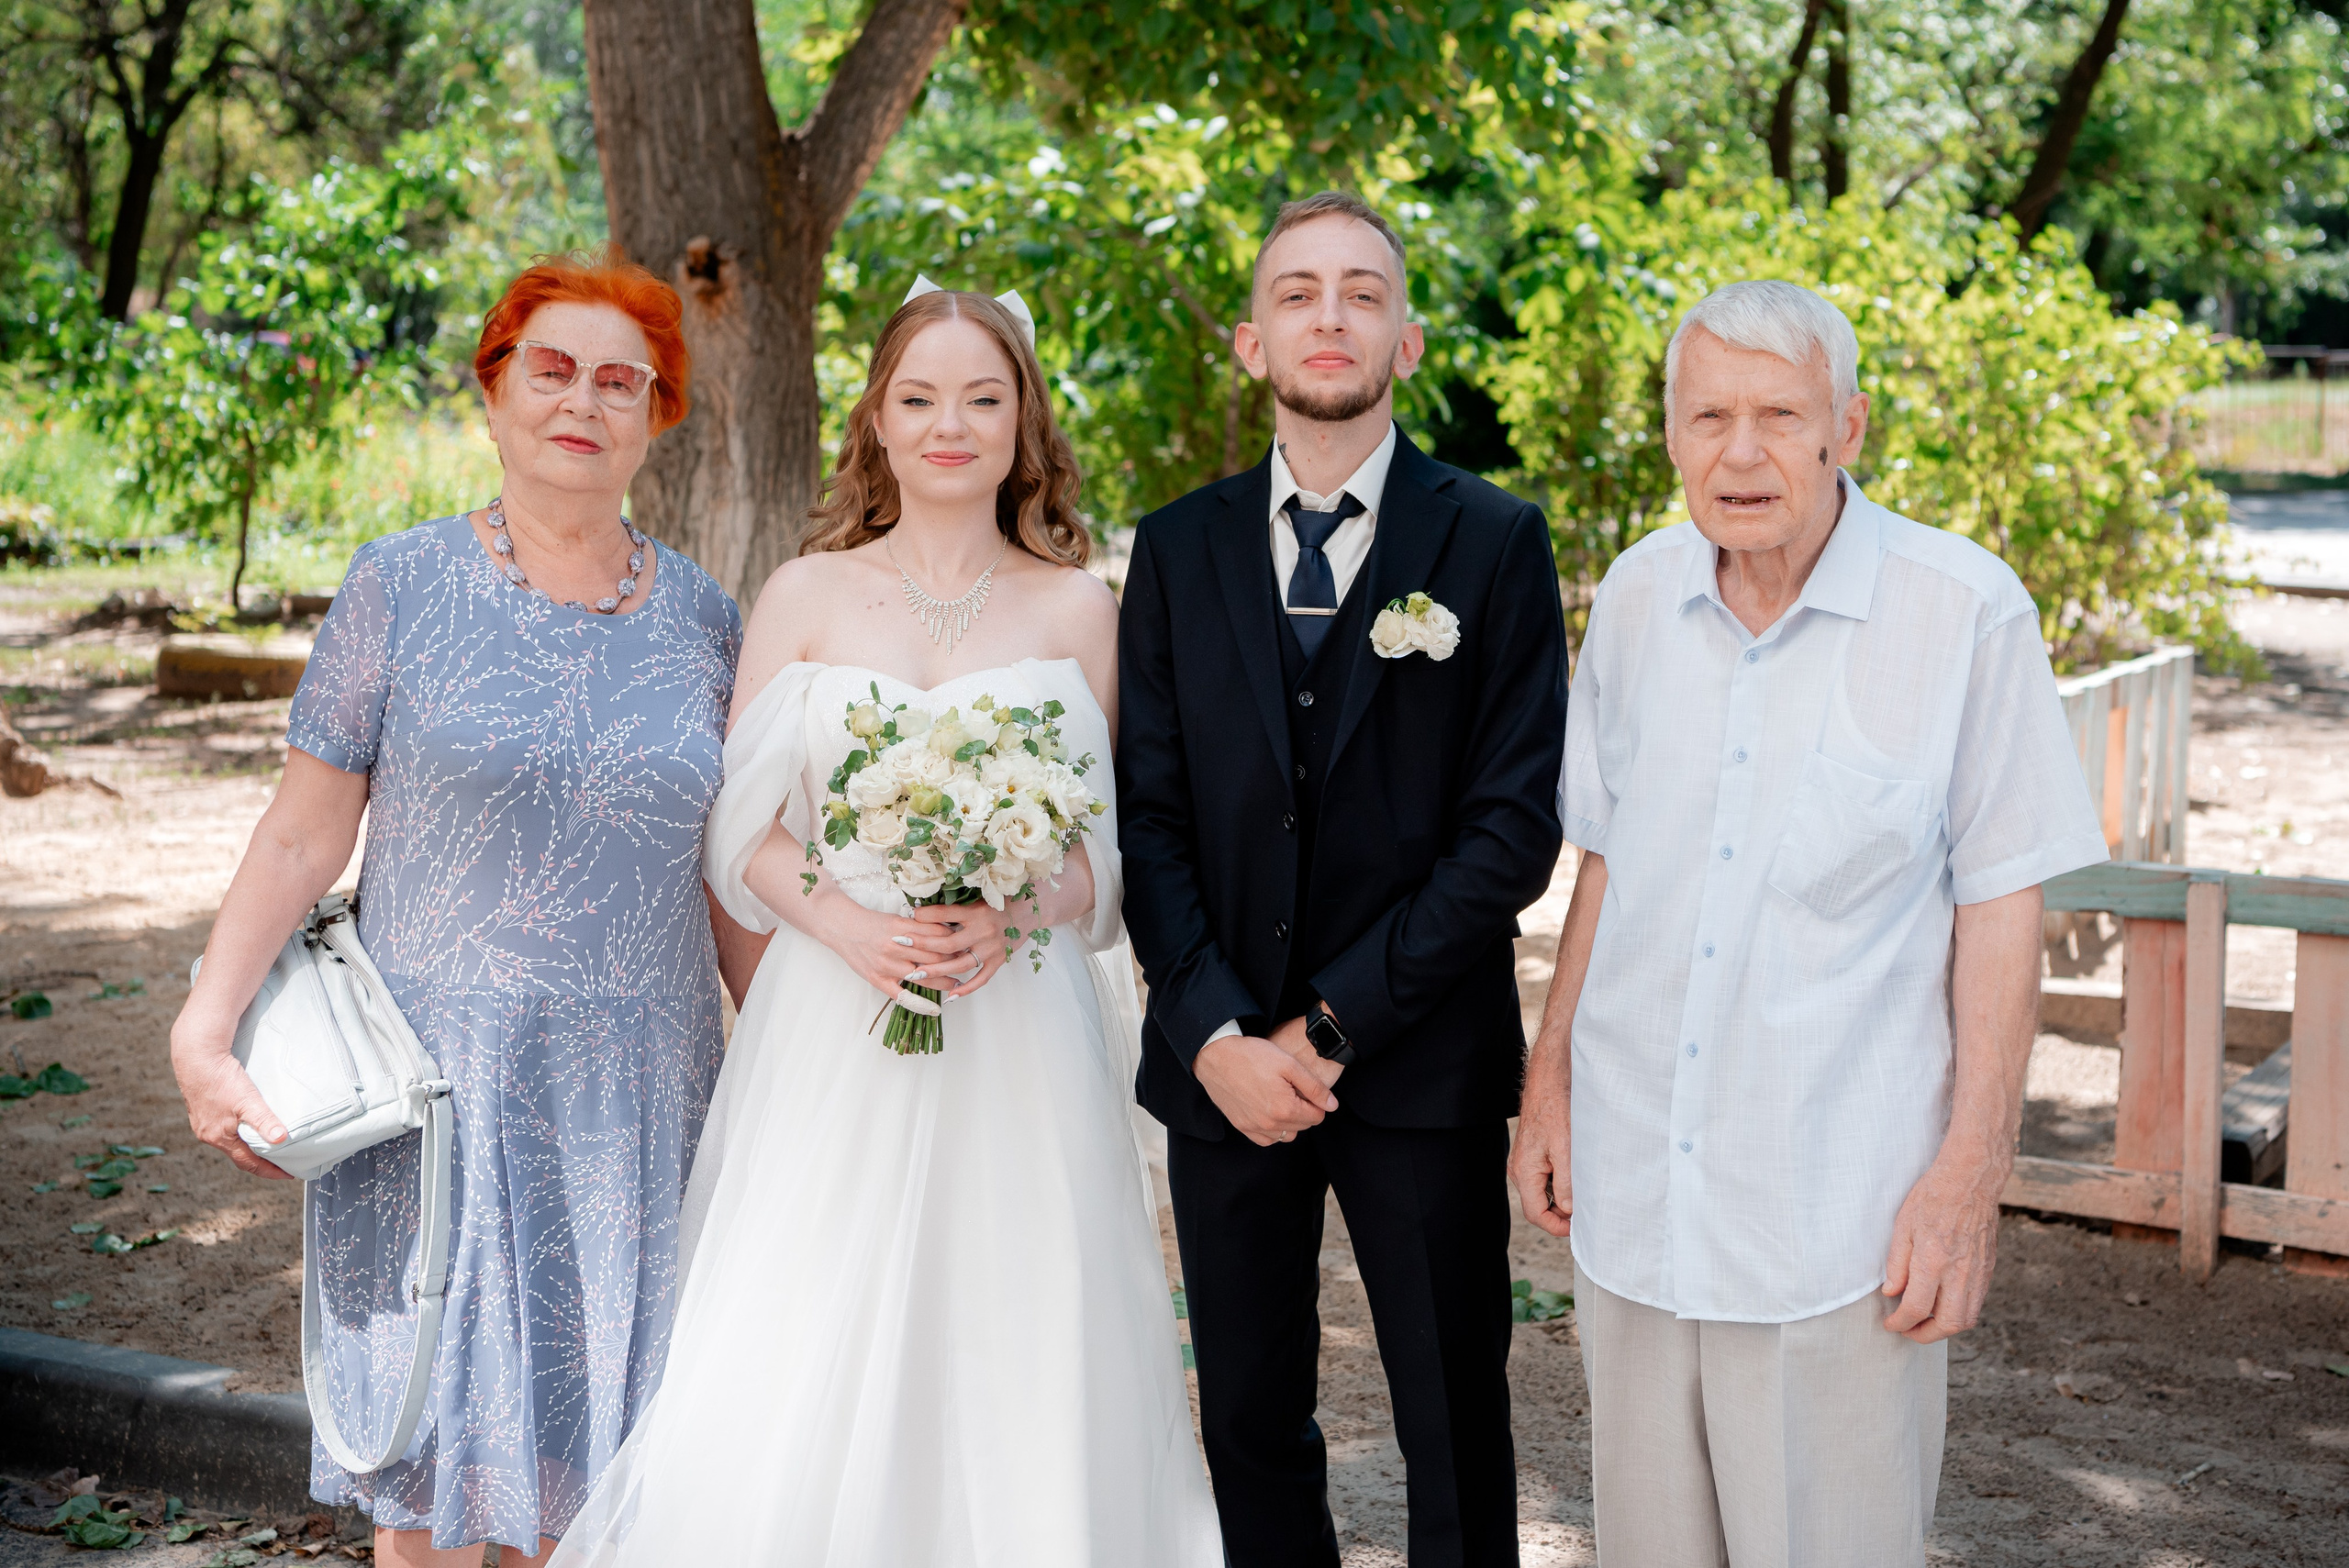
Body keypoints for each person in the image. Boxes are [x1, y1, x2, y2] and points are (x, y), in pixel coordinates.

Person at [547, 284, 1221, 1567]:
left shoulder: (1083, 611)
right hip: (836, 1019)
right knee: (808, 1313)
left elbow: (1117, 847)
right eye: (919, 397)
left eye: (982, 396)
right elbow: (737, 830)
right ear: (878, 420)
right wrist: (848, 926)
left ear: (1026, 420)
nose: (949, 424)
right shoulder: (804, 594)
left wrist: (1023, 902)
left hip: (1017, 1027)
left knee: (1016, 1317)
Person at [1509, 278, 2109, 1567]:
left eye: (1779, 414)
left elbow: (2004, 905)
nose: (1741, 451)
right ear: (1668, 433)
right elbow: (1606, 854)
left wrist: (1970, 1177)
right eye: (1706, 414)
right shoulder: (1633, 594)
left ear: (1850, 423)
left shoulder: (1964, 610)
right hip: (1639, 1197)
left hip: (1841, 1215)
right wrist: (1549, 1073)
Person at [169, 250, 750, 1566]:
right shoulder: (399, 585)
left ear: (657, 417)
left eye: (621, 380)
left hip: (638, 1107)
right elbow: (302, 831)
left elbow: (726, 875)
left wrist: (806, 1062)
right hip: (436, 1095)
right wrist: (205, 1031)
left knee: (597, 1483)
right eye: (550, 368)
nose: (582, 401)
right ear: (493, 392)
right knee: (428, 1492)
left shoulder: (708, 621)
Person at [1119, 191, 1569, 1568]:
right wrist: (1215, 1034)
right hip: (1222, 1073)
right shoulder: (1177, 548)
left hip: (1420, 1061)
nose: (1330, 315)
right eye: (1299, 293)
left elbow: (1510, 833)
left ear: (1410, 339)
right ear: (1252, 342)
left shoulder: (1494, 541)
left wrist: (1325, 1027)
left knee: (1452, 1420)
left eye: (1363, 292)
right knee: (1250, 1414)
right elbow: (1150, 817)